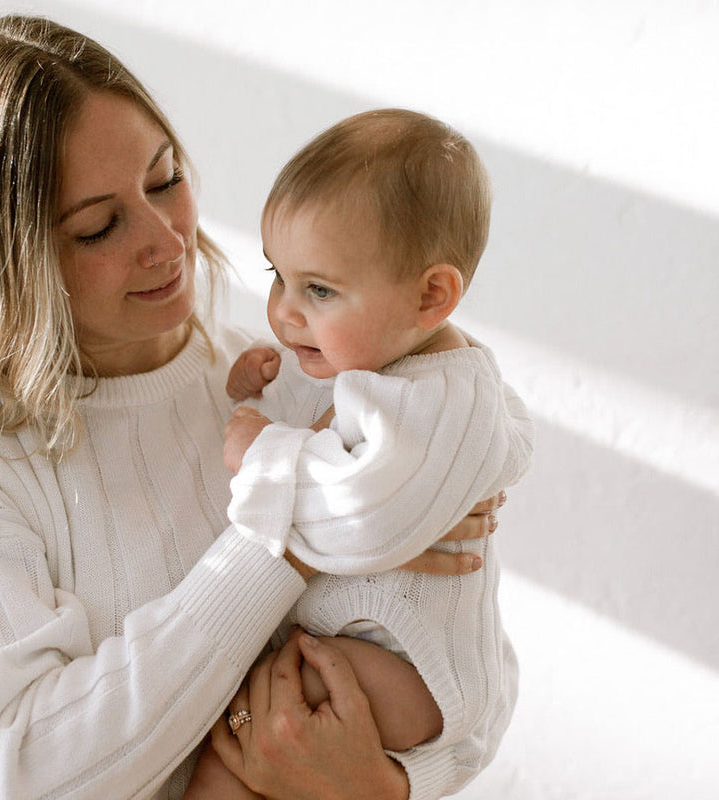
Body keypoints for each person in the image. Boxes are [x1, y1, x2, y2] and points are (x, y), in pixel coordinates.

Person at [0, 16, 505, 800]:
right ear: (8, 262)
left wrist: (387, 783)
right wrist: (290, 532)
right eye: (99, 227)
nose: (167, 241)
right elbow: (11, 773)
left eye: (165, 180)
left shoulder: (312, 379)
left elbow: (469, 659)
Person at [185, 109, 535, 798]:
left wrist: (262, 453)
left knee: (242, 734)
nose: (283, 312)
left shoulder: (440, 398)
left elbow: (360, 515)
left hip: (408, 663)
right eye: (278, 276)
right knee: (242, 733)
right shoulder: (384, 359)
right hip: (364, 643)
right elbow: (331, 436)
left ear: (431, 296)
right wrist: (265, 391)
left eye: (318, 290)